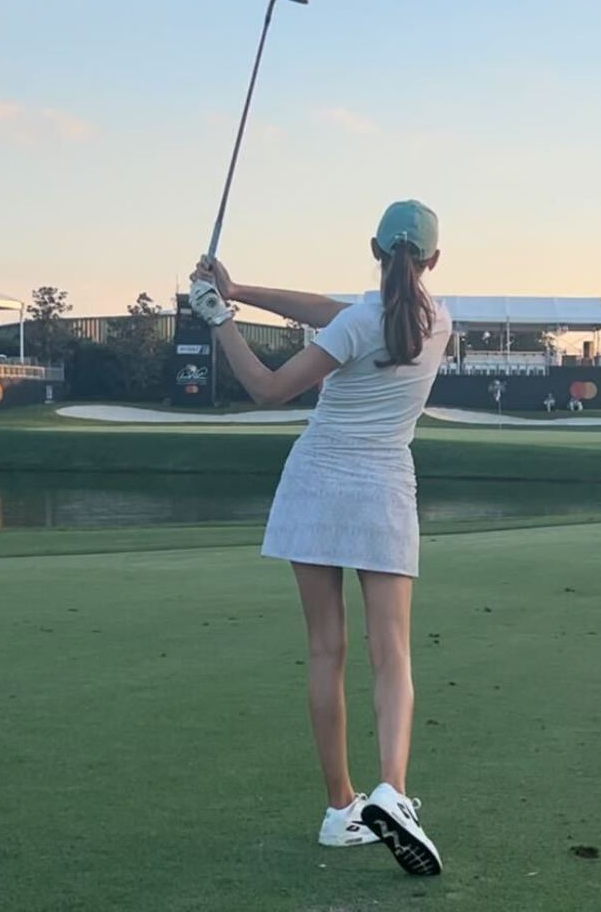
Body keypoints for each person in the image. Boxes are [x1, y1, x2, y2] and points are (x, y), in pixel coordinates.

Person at [188, 200, 450, 877]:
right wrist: (241, 288)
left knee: (324, 649)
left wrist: (222, 318)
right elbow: (327, 310)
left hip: (317, 483)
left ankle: (342, 810)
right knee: (390, 653)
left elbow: (269, 390)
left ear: (373, 247)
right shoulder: (436, 320)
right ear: (433, 260)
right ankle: (391, 789)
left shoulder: (359, 322)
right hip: (385, 490)